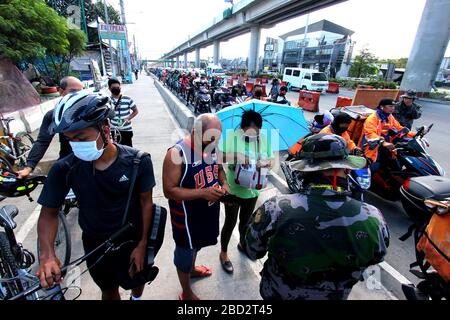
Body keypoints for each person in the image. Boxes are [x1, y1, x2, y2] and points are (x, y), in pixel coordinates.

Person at [36, 91, 156, 300]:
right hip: (95, 243)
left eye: (81, 138)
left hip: (132, 237)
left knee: (138, 278)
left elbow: (147, 204)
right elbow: (49, 212)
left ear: (105, 130)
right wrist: (47, 255)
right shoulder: (64, 168)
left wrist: (142, 244)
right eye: (70, 139)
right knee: (108, 290)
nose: (75, 145)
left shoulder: (139, 161)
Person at [244, 133, 390, 300]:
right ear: (347, 168)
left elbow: (252, 250)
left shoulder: (276, 208)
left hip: (278, 294)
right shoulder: (373, 217)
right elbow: (376, 257)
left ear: (305, 170)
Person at [162, 114, 230, 300]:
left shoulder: (211, 146)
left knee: (197, 247)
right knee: (184, 254)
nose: (213, 143)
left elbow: (219, 169)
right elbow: (169, 191)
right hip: (186, 219)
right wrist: (202, 193)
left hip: (206, 214)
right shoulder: (177, 154)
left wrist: (224, 184)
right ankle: (187, 292)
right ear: (195, 132)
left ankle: (192, 269)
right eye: (210, 138)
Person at [219, 110, 274, 274]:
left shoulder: (263, 139)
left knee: (246, 223)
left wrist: (264, 163)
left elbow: (271, 160)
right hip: (233, 190)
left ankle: (242, 244)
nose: (253, 135)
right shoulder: (232, 136)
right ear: (242, 129)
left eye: (256, 132)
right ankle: (223, 253)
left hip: (252, 191)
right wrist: (236, 156)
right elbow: (219, 158)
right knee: (230, 222)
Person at [17, 76, 84, 178]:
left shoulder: (94, 110)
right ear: (61, 91)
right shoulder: (54, 115)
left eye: (81, 91)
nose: (78, 95)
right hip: (68, 163)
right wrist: (29, 167)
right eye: (73, 91)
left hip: (93, 163)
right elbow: (42, 141)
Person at [362, 98, 416, 173]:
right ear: (382, 107)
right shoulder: (372, 118)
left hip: (388, 145)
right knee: (373, 169)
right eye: (390, 106)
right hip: (374, 146)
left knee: (396, 166)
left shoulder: (389, 116)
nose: (393, 108)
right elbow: (370, 134)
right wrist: (383, 142)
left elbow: (399, 128)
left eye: (393, 106)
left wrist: (415, 135)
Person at [108, 78, 139, 147]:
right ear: (109, 89)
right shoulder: (107, 101)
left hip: (126, 130)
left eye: (118, 87)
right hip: (113, 130)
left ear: (120, 87)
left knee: (128, 151)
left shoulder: (128, 99)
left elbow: (136, 111)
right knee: (115, 151)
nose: (116, 89)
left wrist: (128, 118)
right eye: (114, 88)